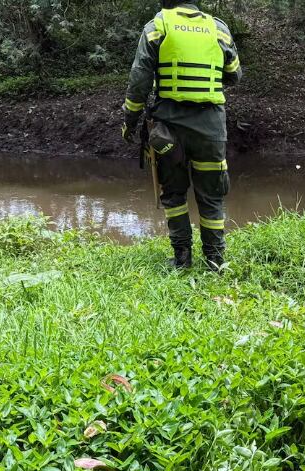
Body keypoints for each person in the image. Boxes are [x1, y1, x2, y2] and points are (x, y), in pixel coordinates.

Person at [122, 1, 242, 270]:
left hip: (168, 128)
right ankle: (215, 260)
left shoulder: (157, 25)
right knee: (211, 196)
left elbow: (139, 79)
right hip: (210, 128)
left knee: (174, 194)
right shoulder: (218, 28)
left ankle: (182, 259)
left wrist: (130, 121)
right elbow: (234, 74)